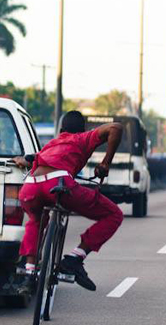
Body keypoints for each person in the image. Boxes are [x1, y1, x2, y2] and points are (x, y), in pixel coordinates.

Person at [12, 110, 124, 291]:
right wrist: (105, 163)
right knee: (114, 214)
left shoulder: (51, 144)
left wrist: (20, 160)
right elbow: (116, 128)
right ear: (83, 129)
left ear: (61, 129)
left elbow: (31, 159)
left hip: (30, 186)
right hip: (58, 184)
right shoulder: (82, 139)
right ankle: (74, 258)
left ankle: (29, 271)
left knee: (36, 220)